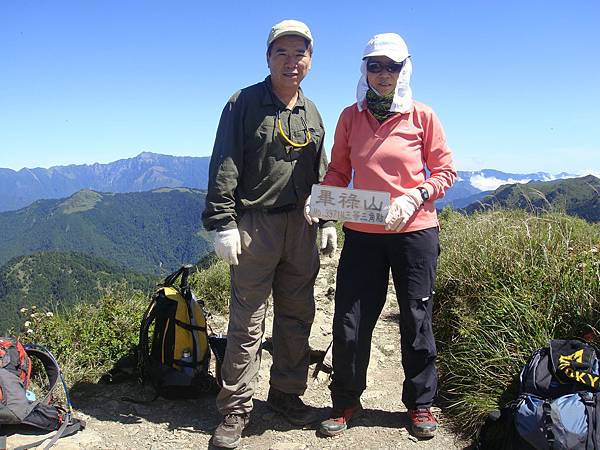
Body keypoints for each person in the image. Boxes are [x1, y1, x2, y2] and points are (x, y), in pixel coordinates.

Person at [305, 32, 457, 439]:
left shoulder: (423, 116)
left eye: (392, 66)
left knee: (416, 316)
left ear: (404, 69)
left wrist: (417, 194)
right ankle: (345, 401)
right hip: (362, 231)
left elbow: (444, 172)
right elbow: (338, 171)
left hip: (415, 230)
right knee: (351, 319)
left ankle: (421, 404)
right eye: (375, 65)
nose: (384, 74)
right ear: (365, 69)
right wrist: (323, 207)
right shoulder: (350, 116)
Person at [201, 19, 337, 449]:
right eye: (282, 52)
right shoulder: (242, 103)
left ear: (310, 61)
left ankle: (286, 394)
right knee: (247, 321)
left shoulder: (313, 111)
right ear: (268, 57)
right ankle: (236, 408)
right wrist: (222, 222)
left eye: (300, 53)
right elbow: (225, 163)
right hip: (254, 225)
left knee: (297, 315)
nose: (291, 61)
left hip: (302, 225)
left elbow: (323, 170)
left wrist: (330, 220)